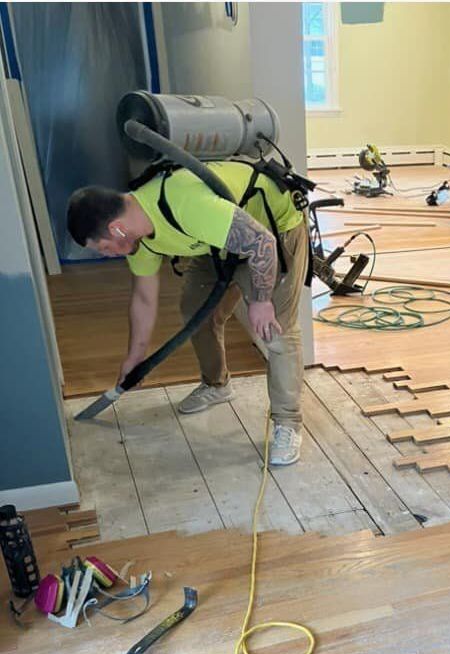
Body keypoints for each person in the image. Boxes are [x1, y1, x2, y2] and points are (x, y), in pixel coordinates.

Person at [66, 160, 308, 465]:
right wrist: (134, 356)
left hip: (273, 230)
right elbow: (143, 298)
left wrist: (261, 300)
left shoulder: (183, 204)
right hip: (218, 237)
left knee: (276, 333)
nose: (106, 254)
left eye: (102, 247)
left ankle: (288, 422)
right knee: (196, 309)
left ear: (116, 229)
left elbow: (262, 243)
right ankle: (216, 384)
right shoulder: (140, 237)